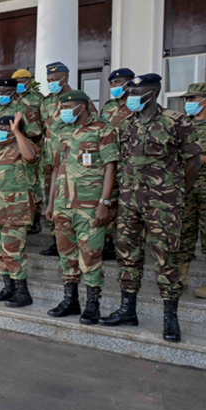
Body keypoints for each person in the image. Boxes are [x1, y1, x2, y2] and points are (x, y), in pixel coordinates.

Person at [100, 74, 202, 343]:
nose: (132, 96)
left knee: (166, 259)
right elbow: (123, 162)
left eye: (138, 91)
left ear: (153, 93)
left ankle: (170, 318)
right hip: (129, 203)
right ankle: (127, 311)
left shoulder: (175, 120)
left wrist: (180, 191)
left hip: (163, 205)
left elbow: (193, 162)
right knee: (127, 256)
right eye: (131, 91)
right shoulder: (127, 123)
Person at [44, 91, 119, 325]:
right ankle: (71, 300)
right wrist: (50, 202)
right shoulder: (62, 131)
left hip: (89, 206)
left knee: (91, 255)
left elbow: (110, 167)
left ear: (84, 107)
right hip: (63, 205)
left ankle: (92, 305)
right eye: (62, 106)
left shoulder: (103, 129)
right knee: (67, 255)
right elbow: (57, 169)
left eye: (69, 106)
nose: (64, 110)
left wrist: (104, 204)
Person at [0, 113, 40, 308]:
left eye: (6, 129)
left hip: (15, 211)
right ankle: (8, 287)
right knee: (0, 253)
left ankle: (22, 292)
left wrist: (16, 132)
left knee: (13, 253)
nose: (1, 133)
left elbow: (31, 158)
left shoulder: (24, 147)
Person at [178, 83, 206, 298]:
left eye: (192, 98)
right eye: (187, 99)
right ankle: (181, 275)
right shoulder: (183, 124)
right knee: (183, 231)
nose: (188, 103)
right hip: (185, 186)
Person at [100, 68, 136, 261]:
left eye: (118, 82)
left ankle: (128, 245)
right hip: (111, 163)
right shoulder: (108, 107)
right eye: (112, 83)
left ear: (129, 83)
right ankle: (108, 243)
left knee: (128, 207)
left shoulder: (137, 106)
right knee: (109, 203)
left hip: (131, 165)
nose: (114, 87)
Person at [39, 61, 74, 257]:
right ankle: (56, 240)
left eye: (54, 79)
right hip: (51, 161)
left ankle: (73, 240)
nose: (51, 83)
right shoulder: (46, 102)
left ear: (65, 78)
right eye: (48, 80)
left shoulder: (77, 99)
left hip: (72, 160)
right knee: (51, 198)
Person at [13, 68, 46, 234]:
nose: (18, 85)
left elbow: (44, 120)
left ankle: (36, 218)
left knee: (33, 181)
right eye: (16, 83)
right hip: (14, 144)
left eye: (21, 82)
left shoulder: (37, 99)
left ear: (28, 81)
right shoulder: (10, 98)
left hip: (33, 141)